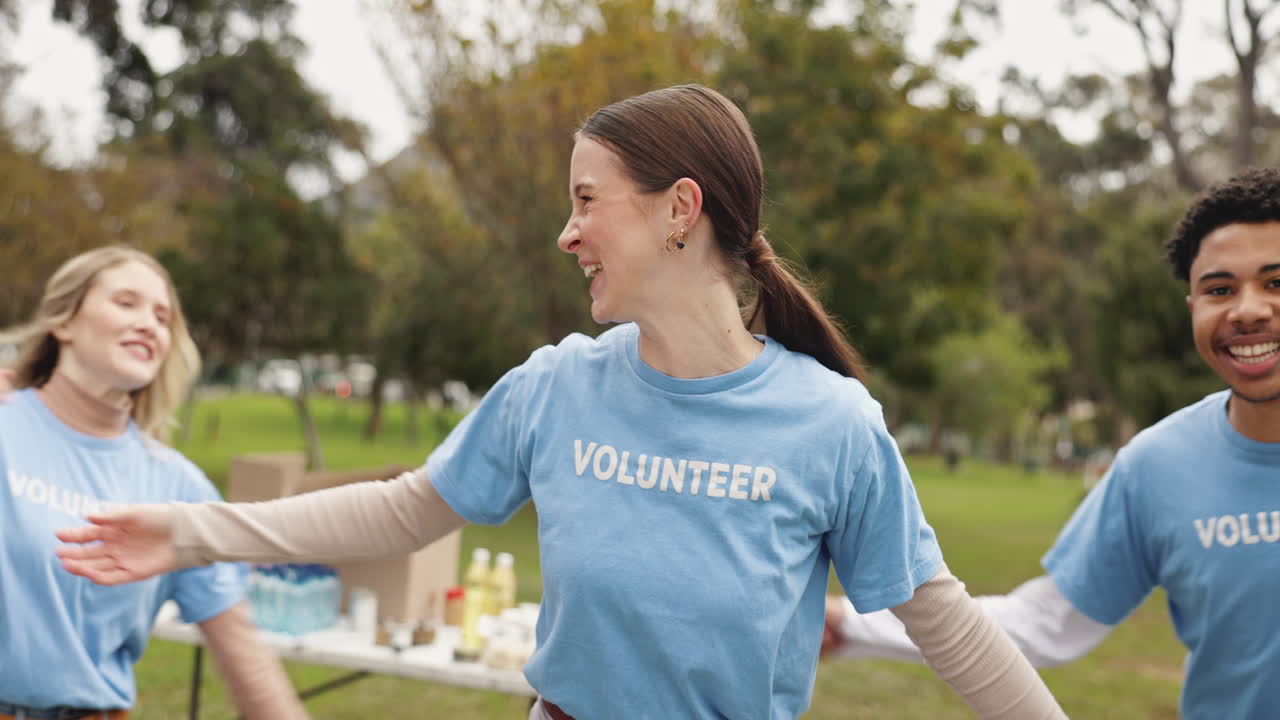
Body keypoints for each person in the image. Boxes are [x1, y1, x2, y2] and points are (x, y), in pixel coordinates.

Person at [54, 85, 1065, 720]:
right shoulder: (556, 386)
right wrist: (190, 531)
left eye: (586, 200)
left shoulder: (829, 424)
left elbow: (939, 620)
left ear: (679, 211)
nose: (564, 232)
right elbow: (405, 508)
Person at [821, 166, 1280, 719]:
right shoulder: (1157, 467)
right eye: (1220, 289)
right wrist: (849, 624)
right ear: (1193, 308)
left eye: (1276, 282)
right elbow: (1042, 625)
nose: (1248, 310)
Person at [0, 246, 307, 720]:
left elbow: (243, 650)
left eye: (162, 317)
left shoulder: (179, 485)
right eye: (126, 303)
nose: (149, 324)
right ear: (64, 323)